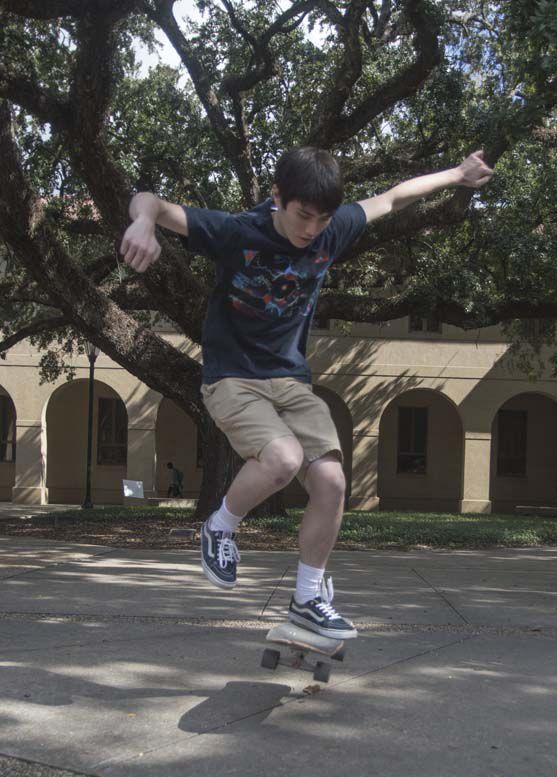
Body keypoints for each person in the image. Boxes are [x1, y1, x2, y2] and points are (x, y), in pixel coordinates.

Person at [120, 146, 493, 640]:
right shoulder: (235, 232)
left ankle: (307, 599)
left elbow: (394, 198)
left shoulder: (333, 229)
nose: (312, 229)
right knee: (282, 459)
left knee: (333, 483)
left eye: (323, 218)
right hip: (232, 377)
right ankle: (220, 525)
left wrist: (459, 175)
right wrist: (143, 224)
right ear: (278, 198)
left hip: (292, 380)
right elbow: (151, 201)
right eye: (303, 215)